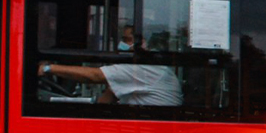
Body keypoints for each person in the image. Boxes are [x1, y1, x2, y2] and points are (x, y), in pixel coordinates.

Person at [38, 25, 183, 106]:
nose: (123, 45)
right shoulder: (144, 68)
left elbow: (94, 76)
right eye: (123, 40)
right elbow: (105, 101)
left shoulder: (145, 68)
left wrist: (47, 68)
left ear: (143, 42)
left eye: (128, 40)